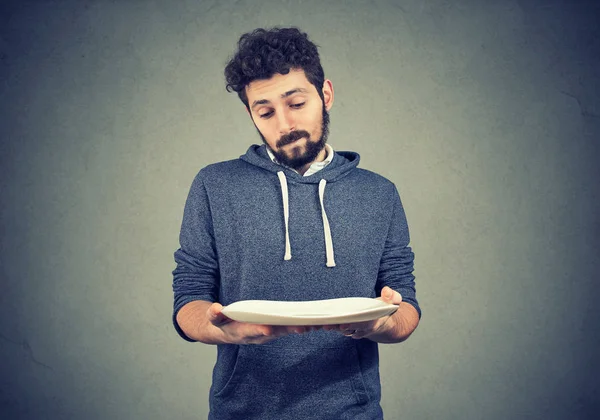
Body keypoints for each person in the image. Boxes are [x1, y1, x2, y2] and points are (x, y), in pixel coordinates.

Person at [172, 27, 421, 420]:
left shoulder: (379, 193)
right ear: (250, 114)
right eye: (265, 111)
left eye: (297, 102)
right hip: (241, 412)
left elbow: (406, 311)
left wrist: (377, 323)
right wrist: (223, 330)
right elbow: (188, 299)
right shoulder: (214, 184)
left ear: (326, 95)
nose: (284, 124)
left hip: (352, 413)